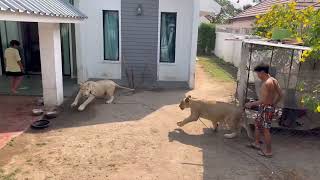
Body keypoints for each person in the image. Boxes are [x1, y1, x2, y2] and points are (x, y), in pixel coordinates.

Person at [245, 64, 282, 158]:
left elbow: (263, 101)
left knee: (266, 130)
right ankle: (256, 143)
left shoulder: (266, 84)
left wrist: (251, 104)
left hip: (266, 109)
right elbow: (281, 94)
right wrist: (274, 103)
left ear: (262, 72)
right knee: (257, 124)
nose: (257, 76)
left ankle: (269, 152)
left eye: (257, 73)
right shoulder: (273, 80)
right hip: (267, 108)